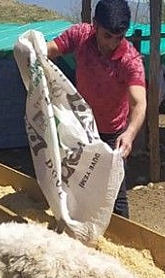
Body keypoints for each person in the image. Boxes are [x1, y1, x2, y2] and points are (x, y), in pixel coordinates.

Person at [47, 0, 147, 219]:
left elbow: (139, 103)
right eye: (107, 36)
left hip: (112, 135)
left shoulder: (130, 60)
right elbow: (50, 50)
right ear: (95, 25)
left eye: (118, 37)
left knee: (114, 191)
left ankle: (121, 241)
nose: (112, 43)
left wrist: (129, 134)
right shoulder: (81, 35)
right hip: (80, 129)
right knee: (76, 183)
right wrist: (31, 50)